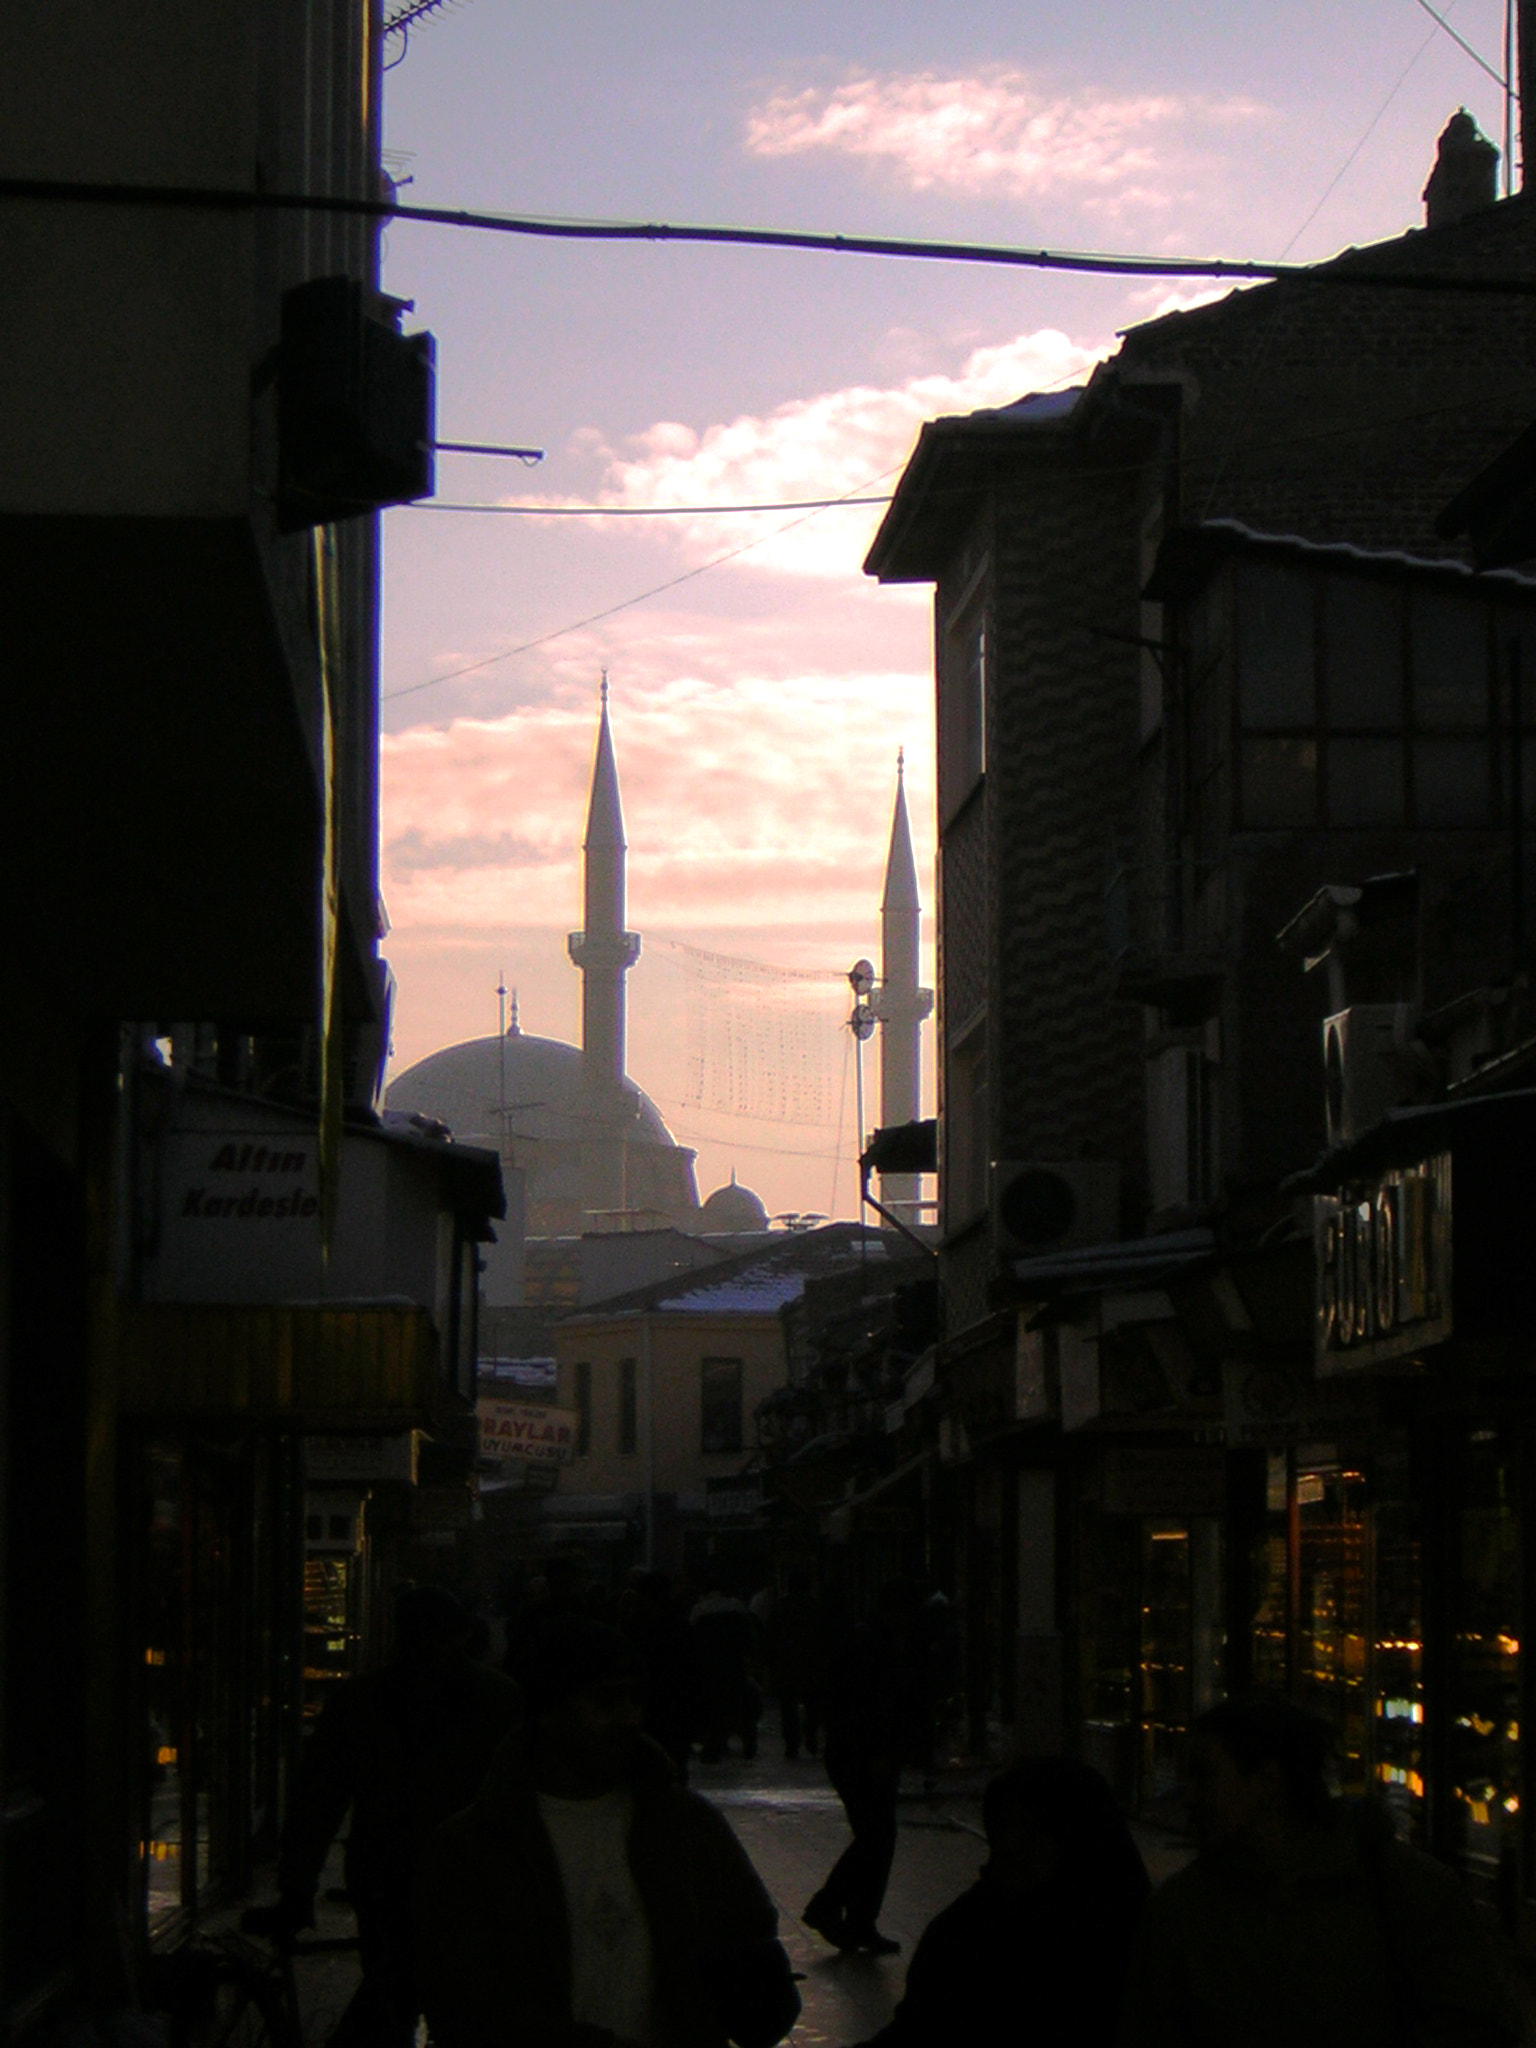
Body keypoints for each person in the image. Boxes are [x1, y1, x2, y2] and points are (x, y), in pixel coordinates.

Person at [415, 1615, 800, 2048]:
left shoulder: (686, 1825)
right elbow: (463, 2000)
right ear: (548, 1712)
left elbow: (748, 1936)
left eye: (636, 1700)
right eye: (605, 1702)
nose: (629, 1718)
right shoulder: (477, 1844)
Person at [1117, 1691, 1523, 2048]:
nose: (1187, 1797)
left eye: (1205, 1777)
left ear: (1268, 1782)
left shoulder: (1403, 1891)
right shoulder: (1181, 1913)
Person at [248, 1584, 523, 2048]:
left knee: (394, 1989)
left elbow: (318, 1800)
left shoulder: (361, 1700)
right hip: (465, 1878)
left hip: (390, 1872)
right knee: (448, 1994)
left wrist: (298, 1887)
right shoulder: (499, 1700)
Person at [852, 1756, 1149, 2047]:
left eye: (1034, 1831)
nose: (1011, 1845)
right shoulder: (966, 1932)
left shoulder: (1123, 1939)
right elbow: (919, 2029)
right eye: (1004, 1827)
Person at [802, 1590, 905, 1955]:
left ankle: (858, 1920)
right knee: (876, 1836)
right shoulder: (870, 1646)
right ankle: (832, 1906)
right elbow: (870, 1704)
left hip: (855, 1753)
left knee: (875, 1837)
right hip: (862, 1755)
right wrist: (877, 1750)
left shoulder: (866, 1641)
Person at [761, 1567, 829, 1762]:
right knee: (813, 1704)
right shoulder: (816, 1608)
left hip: (786, 1664)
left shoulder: (780, 1608)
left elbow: (770, 1637)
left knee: (788, 1707)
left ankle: (792, 1744)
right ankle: (811, 1736)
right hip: (812, 1663)